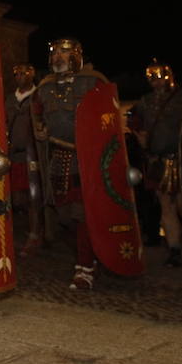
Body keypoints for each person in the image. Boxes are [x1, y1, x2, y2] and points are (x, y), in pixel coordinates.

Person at [31, 37, 111, 290]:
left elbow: (108, 117)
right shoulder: (44, 87)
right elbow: (37, 115)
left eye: (64, 53)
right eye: (54, 53)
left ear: (76, 55)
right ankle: (90, 256)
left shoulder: (94, 82)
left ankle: (85, 267)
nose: (57, 57)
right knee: (64, 215)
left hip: (86, 158)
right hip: (58, 157)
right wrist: (40, 131)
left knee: (82, 214)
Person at [130, 60, 182, 267]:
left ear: (168, 75)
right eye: (150, 77)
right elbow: (134, 121)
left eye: (158, 76)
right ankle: (175, 250)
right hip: (158, 160)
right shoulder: (146, 101)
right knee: (166, 206)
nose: (154, 81)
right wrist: (140, 136)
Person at [6, 63, 37, 246]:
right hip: (14, 155)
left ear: (32, 75)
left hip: (33, 155)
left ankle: (34, 234)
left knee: (34, 196)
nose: (20, 77)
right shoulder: (10, 99)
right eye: (17, 74)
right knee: (16, 198)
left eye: (25, 73)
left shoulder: (39, 96)